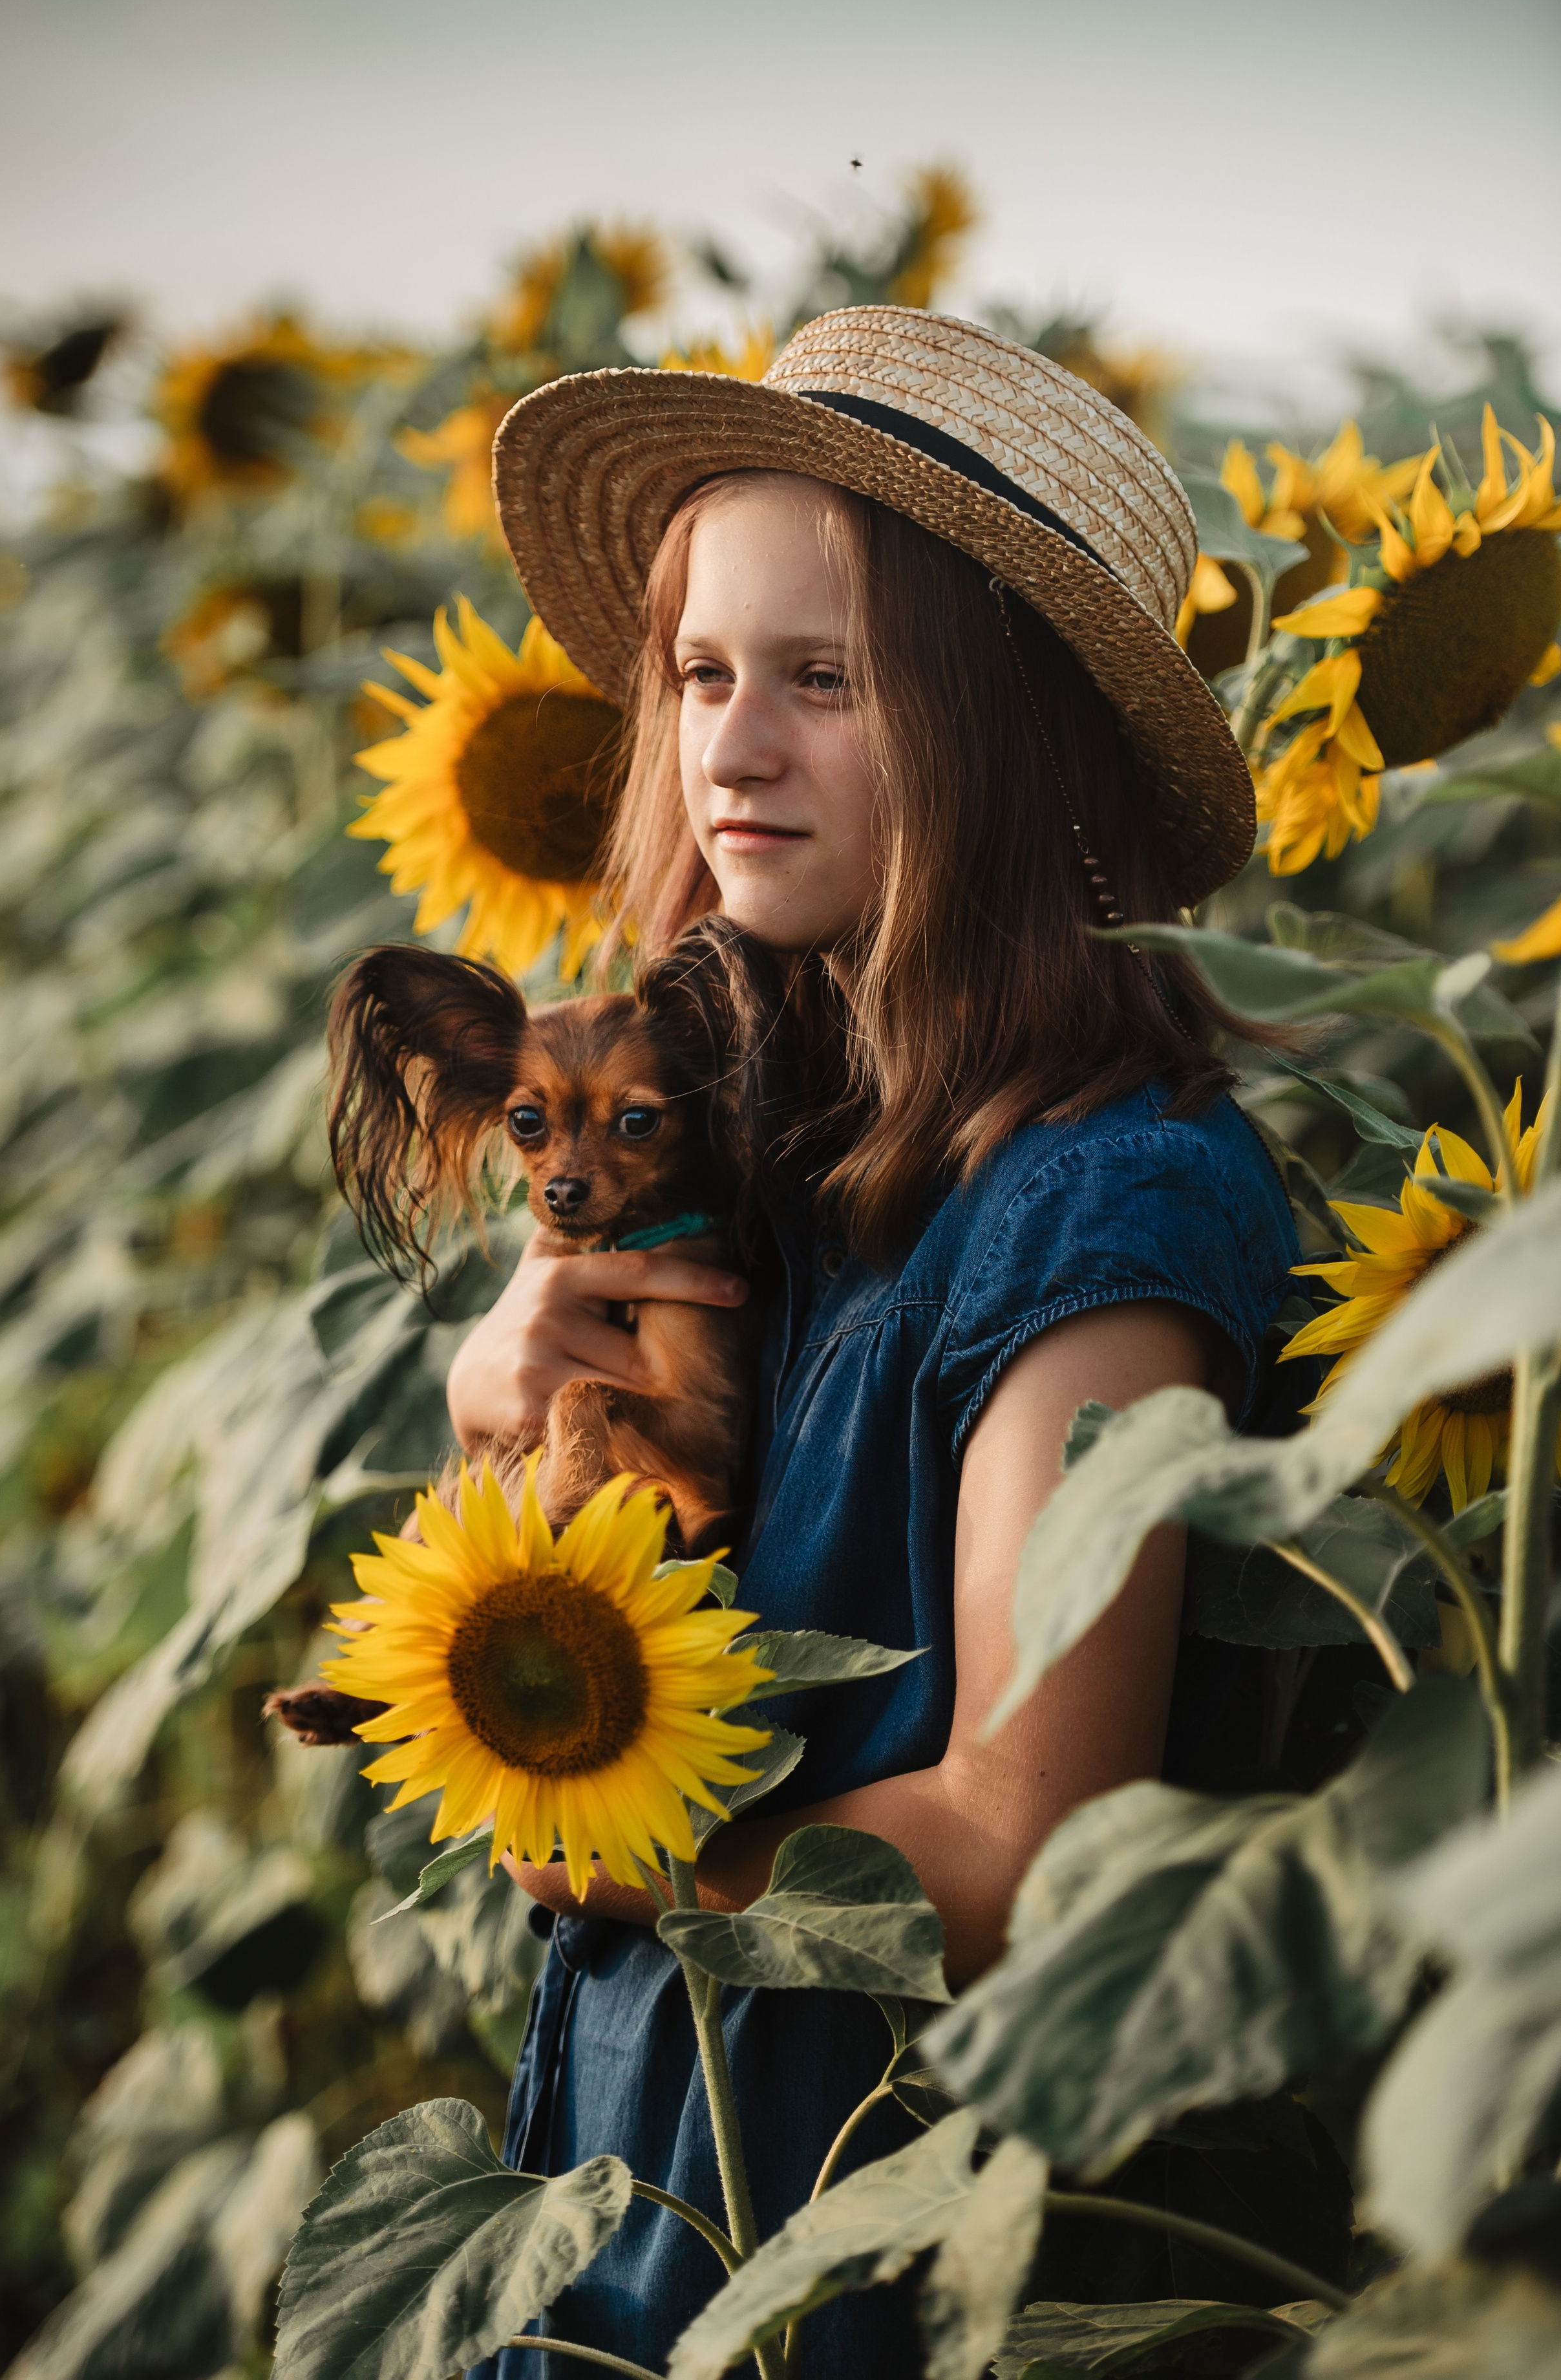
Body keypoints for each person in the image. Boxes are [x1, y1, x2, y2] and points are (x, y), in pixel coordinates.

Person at [458, 308, 1299, 2376]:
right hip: (644, 2221)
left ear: (1004, 733)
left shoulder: (1104, 1208)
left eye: (825, 682)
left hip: (867, 2272)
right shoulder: (771, 1136)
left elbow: (1022, 1846)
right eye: (702, 675)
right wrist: (496, 1418)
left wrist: (606, 1832)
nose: (732, 750)